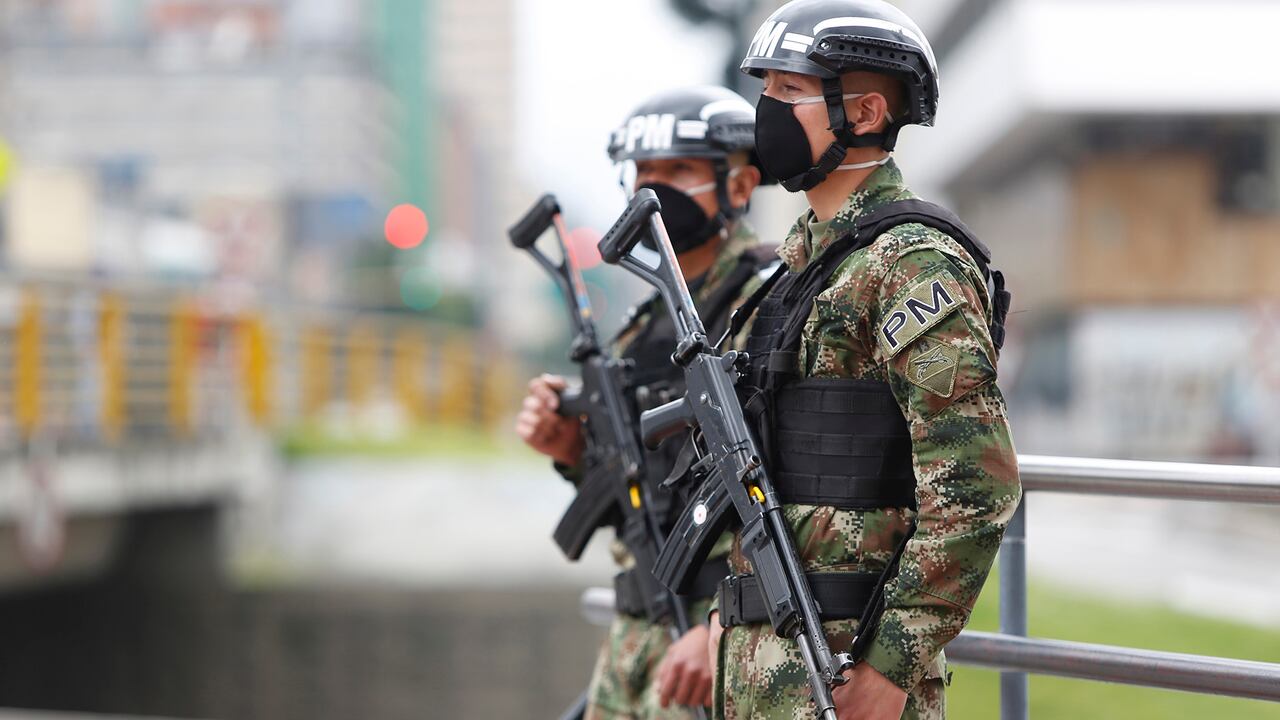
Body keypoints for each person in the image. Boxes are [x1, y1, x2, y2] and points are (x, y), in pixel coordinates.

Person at [707, 2, 1022, 718]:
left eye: (790, 92)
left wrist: (890, 666)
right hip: (758, 671)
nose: (767, 110)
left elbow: (977, 485)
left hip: (847, 672)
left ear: (868, 110)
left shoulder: (911, 264)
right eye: (767, 90)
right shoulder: (791, 273)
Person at [516, 85, 771, 719]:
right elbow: (648, 485)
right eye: (643, 173)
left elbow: (789, 489)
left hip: (714, 642)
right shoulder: (648, 319)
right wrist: (572, 450)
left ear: (738, 188)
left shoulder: (767, 302)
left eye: (679, 171)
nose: (652, 191)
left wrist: (724, 626)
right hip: (637, 632)